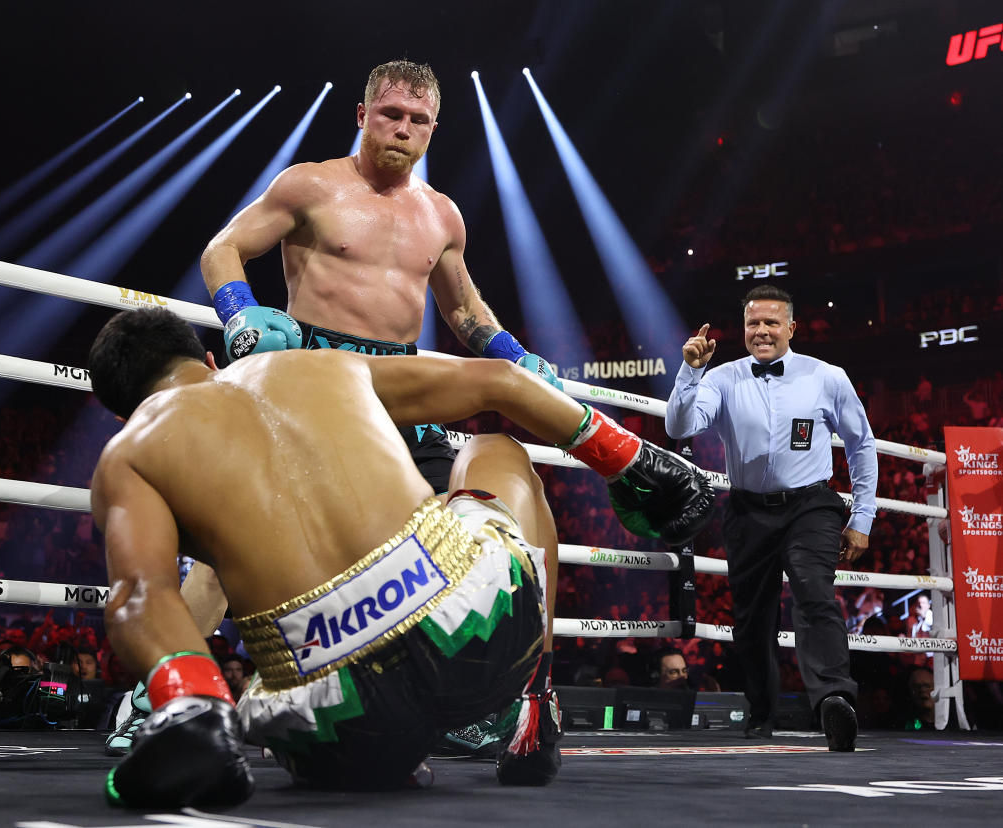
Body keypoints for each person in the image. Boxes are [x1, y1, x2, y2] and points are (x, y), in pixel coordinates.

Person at [86, 307, 711, 808]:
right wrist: (628, 458)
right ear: (210, 359)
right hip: (480, 626)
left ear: (120, 409)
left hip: (338, 718)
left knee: (245, 661)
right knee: (491, 446)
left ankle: (196, 709)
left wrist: (193, 704)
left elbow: (141, 596)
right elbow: (498, 381)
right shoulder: (314, 365)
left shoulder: (129, 454)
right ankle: (531, 709)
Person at [196, 56, 566, 760]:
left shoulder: (441, 214)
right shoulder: (309, 184)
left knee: (463, 542)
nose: (404, 129)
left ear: (434, 129)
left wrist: (517, 357)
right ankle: (158, 699)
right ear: (363, 115)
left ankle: (493, 704)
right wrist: (240, 314)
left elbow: (463, 309)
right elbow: (223, 249)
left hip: (403, 394)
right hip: (316, 384)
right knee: (231, 542)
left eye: (419, 120)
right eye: (391, 114)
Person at [666, 284, 878, 752]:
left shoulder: (827, 377)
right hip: (746, 508)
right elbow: (679, 427)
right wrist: (689, 371)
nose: (761, 331)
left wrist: (862, 515)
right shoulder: (720, 378)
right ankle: (760, 714)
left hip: (811, 505)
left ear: (792, 327)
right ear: (743, 328)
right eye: (753, 323)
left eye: (771, 322)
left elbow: (862, 444)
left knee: (813, 589)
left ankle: (833, 702)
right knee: (751, 618)